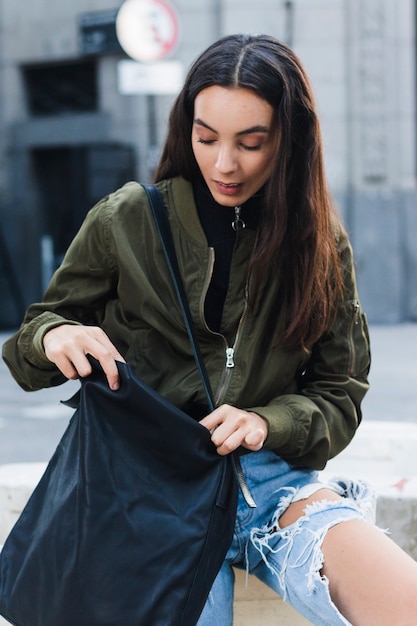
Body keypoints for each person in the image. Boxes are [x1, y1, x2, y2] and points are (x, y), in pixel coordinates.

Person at [3, 33, 417, 626]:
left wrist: (264, 422)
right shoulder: (128, 218)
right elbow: (31, 340)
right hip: (152, 497)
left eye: (252, 143)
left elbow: (339, 393)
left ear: (288, 141)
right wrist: (54, 336)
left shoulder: (317, 242)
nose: (225, 163)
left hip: (272, 489)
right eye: (206, 138)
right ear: (186, 129)